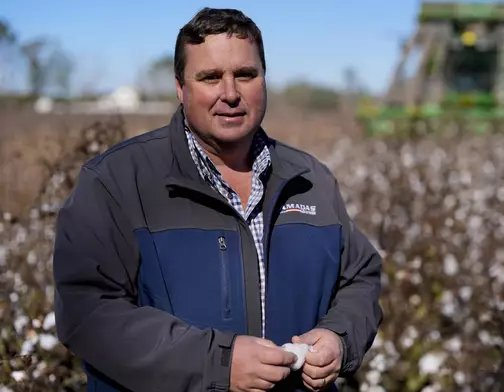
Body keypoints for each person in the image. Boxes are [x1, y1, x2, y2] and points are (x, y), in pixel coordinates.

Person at [52, 7, 383, 392]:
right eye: (210, 77)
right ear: (180, 87)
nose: (230, 93)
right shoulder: (116, 181)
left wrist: (339, 338)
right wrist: (218, 363)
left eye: (246, 74)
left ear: (264, 79)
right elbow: (87, 311)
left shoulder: (311, 180)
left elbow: (359, 278)